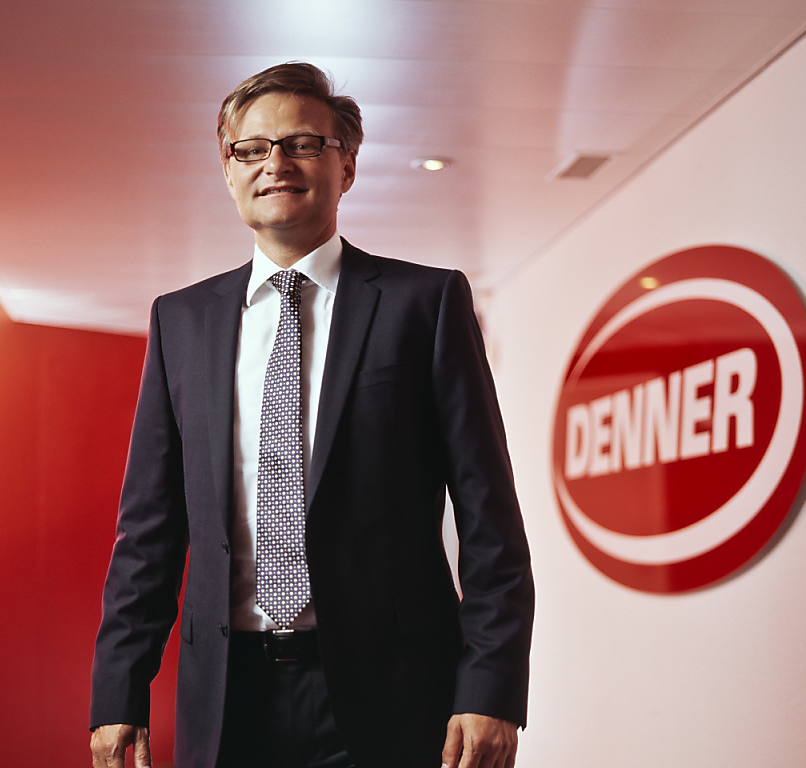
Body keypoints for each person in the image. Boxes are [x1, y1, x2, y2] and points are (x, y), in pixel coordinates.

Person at [89, 62, 534, 768]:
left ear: (346, 165)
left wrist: (492, 687)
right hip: (228, 697)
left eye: (303, 144)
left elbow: (490, 521)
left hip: (393, 692)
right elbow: (148, 532)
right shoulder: (182, 321)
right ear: (228, 168)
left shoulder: (425, 304)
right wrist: (120, 691)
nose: (276, 163)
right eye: (252, 149)